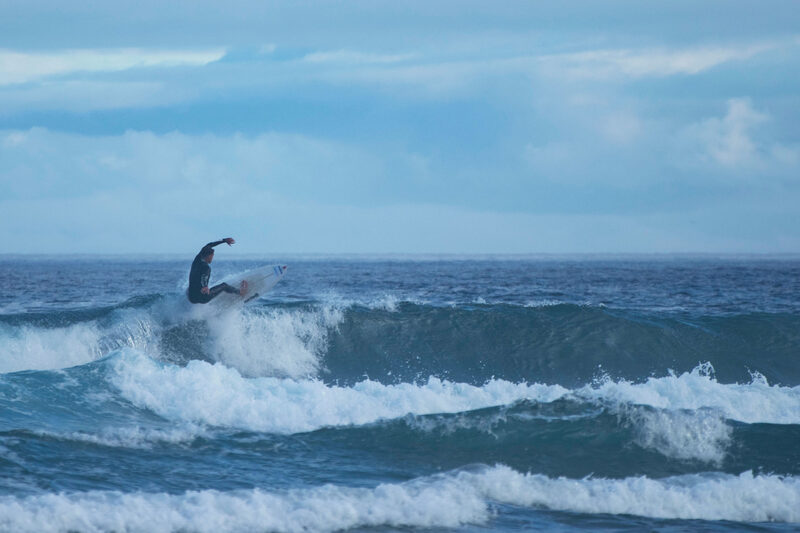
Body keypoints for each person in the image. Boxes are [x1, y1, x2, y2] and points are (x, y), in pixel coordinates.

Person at [187, 238, 247, 304]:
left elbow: (209, 245)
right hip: (203, 297)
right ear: (208, 256)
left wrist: (224, 241)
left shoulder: (197, 259)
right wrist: (205, 286)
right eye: (212, 256)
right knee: (224, 285)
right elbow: (204, 277)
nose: (212, 258)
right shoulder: (206, 268)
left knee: (192, 286)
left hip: (191, 298)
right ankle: (241, 292)